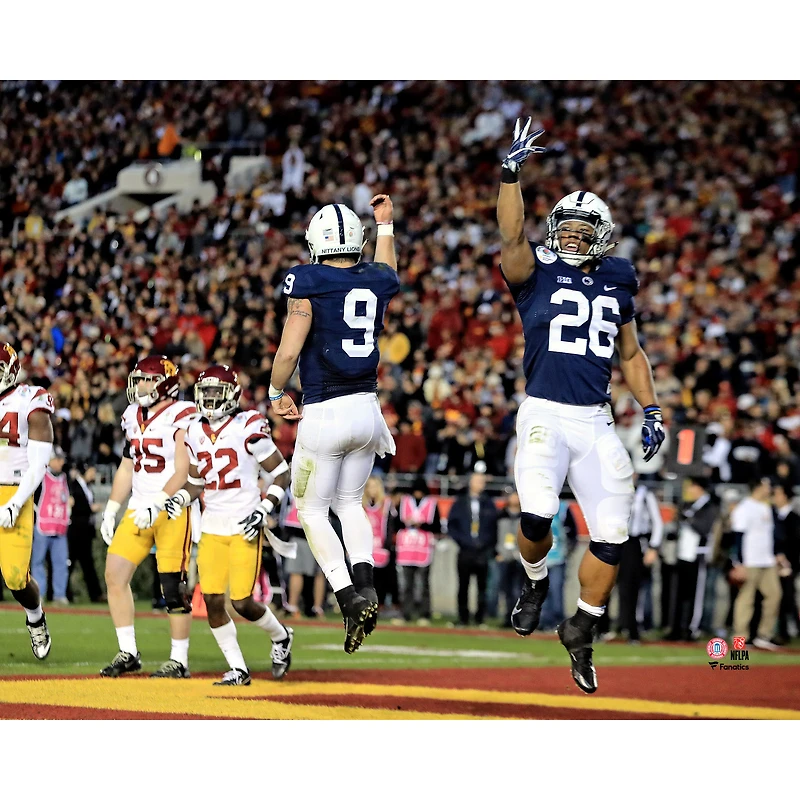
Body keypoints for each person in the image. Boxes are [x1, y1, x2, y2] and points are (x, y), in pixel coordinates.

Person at [496, 119, 665, 693]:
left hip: (595, 420)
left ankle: (582, 630)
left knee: (614, 534)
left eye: (580, 228)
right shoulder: (534, 268)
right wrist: (511, 175)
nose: (569, 235)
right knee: (537, 515)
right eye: (563, 226)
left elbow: (633, 354)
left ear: (603, 234)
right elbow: (512, 239)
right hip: (544, 411)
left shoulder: (620, 279)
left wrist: (653, 409)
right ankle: (536, 578)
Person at [269, 195, 400, 653]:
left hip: (325, 409)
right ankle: (366, 587)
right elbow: (388, 273)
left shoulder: (308, 279)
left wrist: (274, 391)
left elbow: (289, 350)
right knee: (349, 504)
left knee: (310, 510)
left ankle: (346, 599)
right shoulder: (375, 278)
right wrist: (385, 225)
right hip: (368, 410)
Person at [164, 365, 294, 685]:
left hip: (244, 524)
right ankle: (238, 668)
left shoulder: (247, 424)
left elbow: (281, 473)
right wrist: (181, 498)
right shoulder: (194, 430)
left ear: (232, 395)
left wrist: (264, 509)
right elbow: (197, 480)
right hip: (212, 527)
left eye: (215, 391)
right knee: (211, 600)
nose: (209, 398)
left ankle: (281, 637)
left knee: (243, 602)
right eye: (204, 391)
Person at [99, 356, 198, 679]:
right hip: (138, 507)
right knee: (114, 574)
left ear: (164, 384)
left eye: (146, 380)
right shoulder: (131, 415)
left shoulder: (182, 414)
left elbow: (184, 470)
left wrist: (157, 502)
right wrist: (112, 508)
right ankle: (128, 651)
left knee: (173, 586)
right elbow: (128, 466)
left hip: (170, 509)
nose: (140, 385)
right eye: (139, 379)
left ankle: (179, 660)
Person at [0, 343, 56, 660]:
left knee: (14, 576)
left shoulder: (30, 401)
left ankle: (35, 618)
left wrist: (17, 502)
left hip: (13, 489)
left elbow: (38, 465)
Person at [730, 478, 786, 650]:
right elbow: (738, 536)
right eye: (766, 486)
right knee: (746, 599)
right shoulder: (744, 508)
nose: (769, 489)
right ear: (758, 487)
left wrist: (777, 555)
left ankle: (764, 635)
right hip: (750, 561)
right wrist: (739, 562)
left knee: (774, 595)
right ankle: (739, 640)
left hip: (767, 560)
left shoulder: (766, 507)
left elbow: (770, 535)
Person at [663, 476, 719, 641]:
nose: (689, 491)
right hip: (683, 554)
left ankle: (691, 629)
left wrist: (688, 519)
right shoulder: (687, 506)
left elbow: (705, 529)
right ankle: (676, 628)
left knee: (696, 595)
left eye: (692, 487)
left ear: (700, 488)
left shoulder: (709, 507)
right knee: (679, 594)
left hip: (698, 554)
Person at [610, 478, 664, 642]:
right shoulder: (612, 490)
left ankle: (632, 629)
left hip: (633, 543)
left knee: (630, 589)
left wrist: (653, 547)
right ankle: (602, 628)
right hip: (612, 541)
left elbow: (657, 522)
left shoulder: (644, 494)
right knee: (605, 585)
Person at [446, 468, 499, 627]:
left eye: (482, 481)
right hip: (465, 550)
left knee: (483, 587)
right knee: (463, 586)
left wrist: (485, 543)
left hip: (483, 551)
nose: (480, 484)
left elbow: (493, 527)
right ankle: (463, 618)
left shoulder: (488, 503)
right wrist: (464, 541)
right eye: (478, 481)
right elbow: (452, 526)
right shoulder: (460, 502)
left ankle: (480, 618)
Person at [395, 477, 440, 624]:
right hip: (406, 549)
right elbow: (397, 524)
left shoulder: (432, 504)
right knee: (406, 584)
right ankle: (406, 613)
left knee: (423, 584)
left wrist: (421, 524)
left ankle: (424, 613)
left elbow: (437, 527)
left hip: (423, 549)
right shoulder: (404, 501)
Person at [31, 447, 71, 604]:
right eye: (58, 459)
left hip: (60, 528)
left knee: (61, 563)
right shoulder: (41, 477)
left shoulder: (65, 478)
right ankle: (39, 593)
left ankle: (59, 595)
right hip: (42, 526)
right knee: (38, 562)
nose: (61, 462)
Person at [281, 486, 327, 620]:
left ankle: (315, 608)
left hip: (315, 529)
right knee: (298, 571)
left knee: (317, 572)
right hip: (302, 530)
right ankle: (294, 607)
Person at [67, 463, 104, 603]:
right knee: (70, 564)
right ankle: (64, 593)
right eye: (91, 472)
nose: (93, 475)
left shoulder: (86, 486)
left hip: (85, 532)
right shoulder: (74, 485)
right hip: (76, 532)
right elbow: (75, 507)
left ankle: (96, 594)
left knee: (87, 564)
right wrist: (91, 509)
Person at [539, 500, 577, 631]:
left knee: (556, 590)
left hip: (557, 557)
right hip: (539, 558)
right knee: (540, 592)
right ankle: (542, 621)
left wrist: (567, 552)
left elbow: (573, 533)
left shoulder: (563, 508)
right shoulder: (535, 504)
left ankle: (557, 621)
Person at [363, 475, 399, 612]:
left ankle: (383, 604)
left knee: (385, 579)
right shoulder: (361, 505)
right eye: (369, 486)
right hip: (366, 548)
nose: (372, 490)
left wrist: (387, 545)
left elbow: (391, 525)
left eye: (374, 486)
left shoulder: (386, 504)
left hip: (382, 548)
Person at [492, 491, 525, 628]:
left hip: (520, 559)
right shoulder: (500, 515)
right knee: (505, 590)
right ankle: (507, 617)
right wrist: (496, 553)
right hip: (503, 558)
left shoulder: (525, 516)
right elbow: (493, 534)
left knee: (518, 590)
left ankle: (518, 619)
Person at [773, 482, 800, 643]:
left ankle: (787, 631)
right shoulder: (774, 515)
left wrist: (787, 562)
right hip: (775, 563)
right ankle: (785, 630)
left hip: (788, 565)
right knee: (781, 598)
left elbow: (795, 543)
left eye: (777, 493)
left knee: (787, 598)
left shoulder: (794, 519)